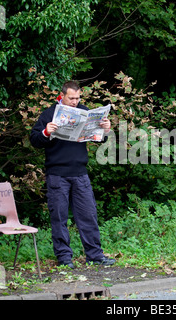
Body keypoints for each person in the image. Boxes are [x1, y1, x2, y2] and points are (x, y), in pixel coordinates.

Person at [30, 80, 115, 268]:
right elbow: (34, 140)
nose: (75, 102)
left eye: (77, 98)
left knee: (88, 214)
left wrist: (105, 130)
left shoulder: (85, 112)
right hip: (57, 173)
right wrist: (45, 132)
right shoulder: (49, 114)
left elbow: (99, 138)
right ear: (62, 96)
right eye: (71, 98)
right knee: (59, 217)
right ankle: (64, 258)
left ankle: (94, 255)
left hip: (80, 172)